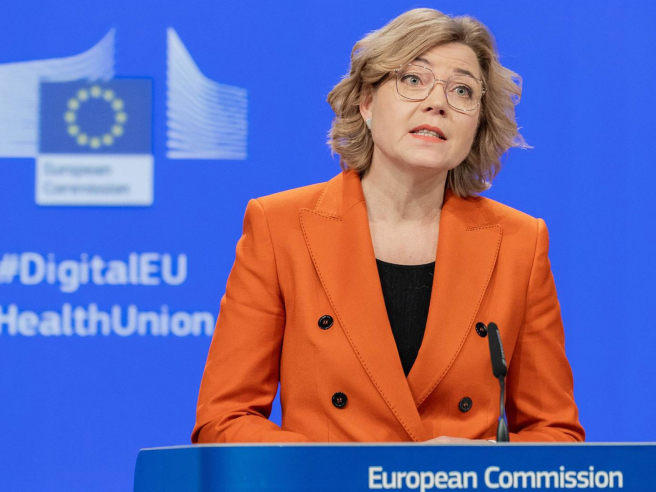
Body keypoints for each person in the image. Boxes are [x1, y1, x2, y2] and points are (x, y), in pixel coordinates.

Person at [192, 8, 584, 443]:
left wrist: (477, 462)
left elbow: (556, 434)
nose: (437, 103)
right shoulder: (280, 226)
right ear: (367, 102)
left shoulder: (519, 242)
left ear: (477, 124)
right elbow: (224, 420)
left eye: (462, 90)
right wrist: (346, 470)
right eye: (413, 80)